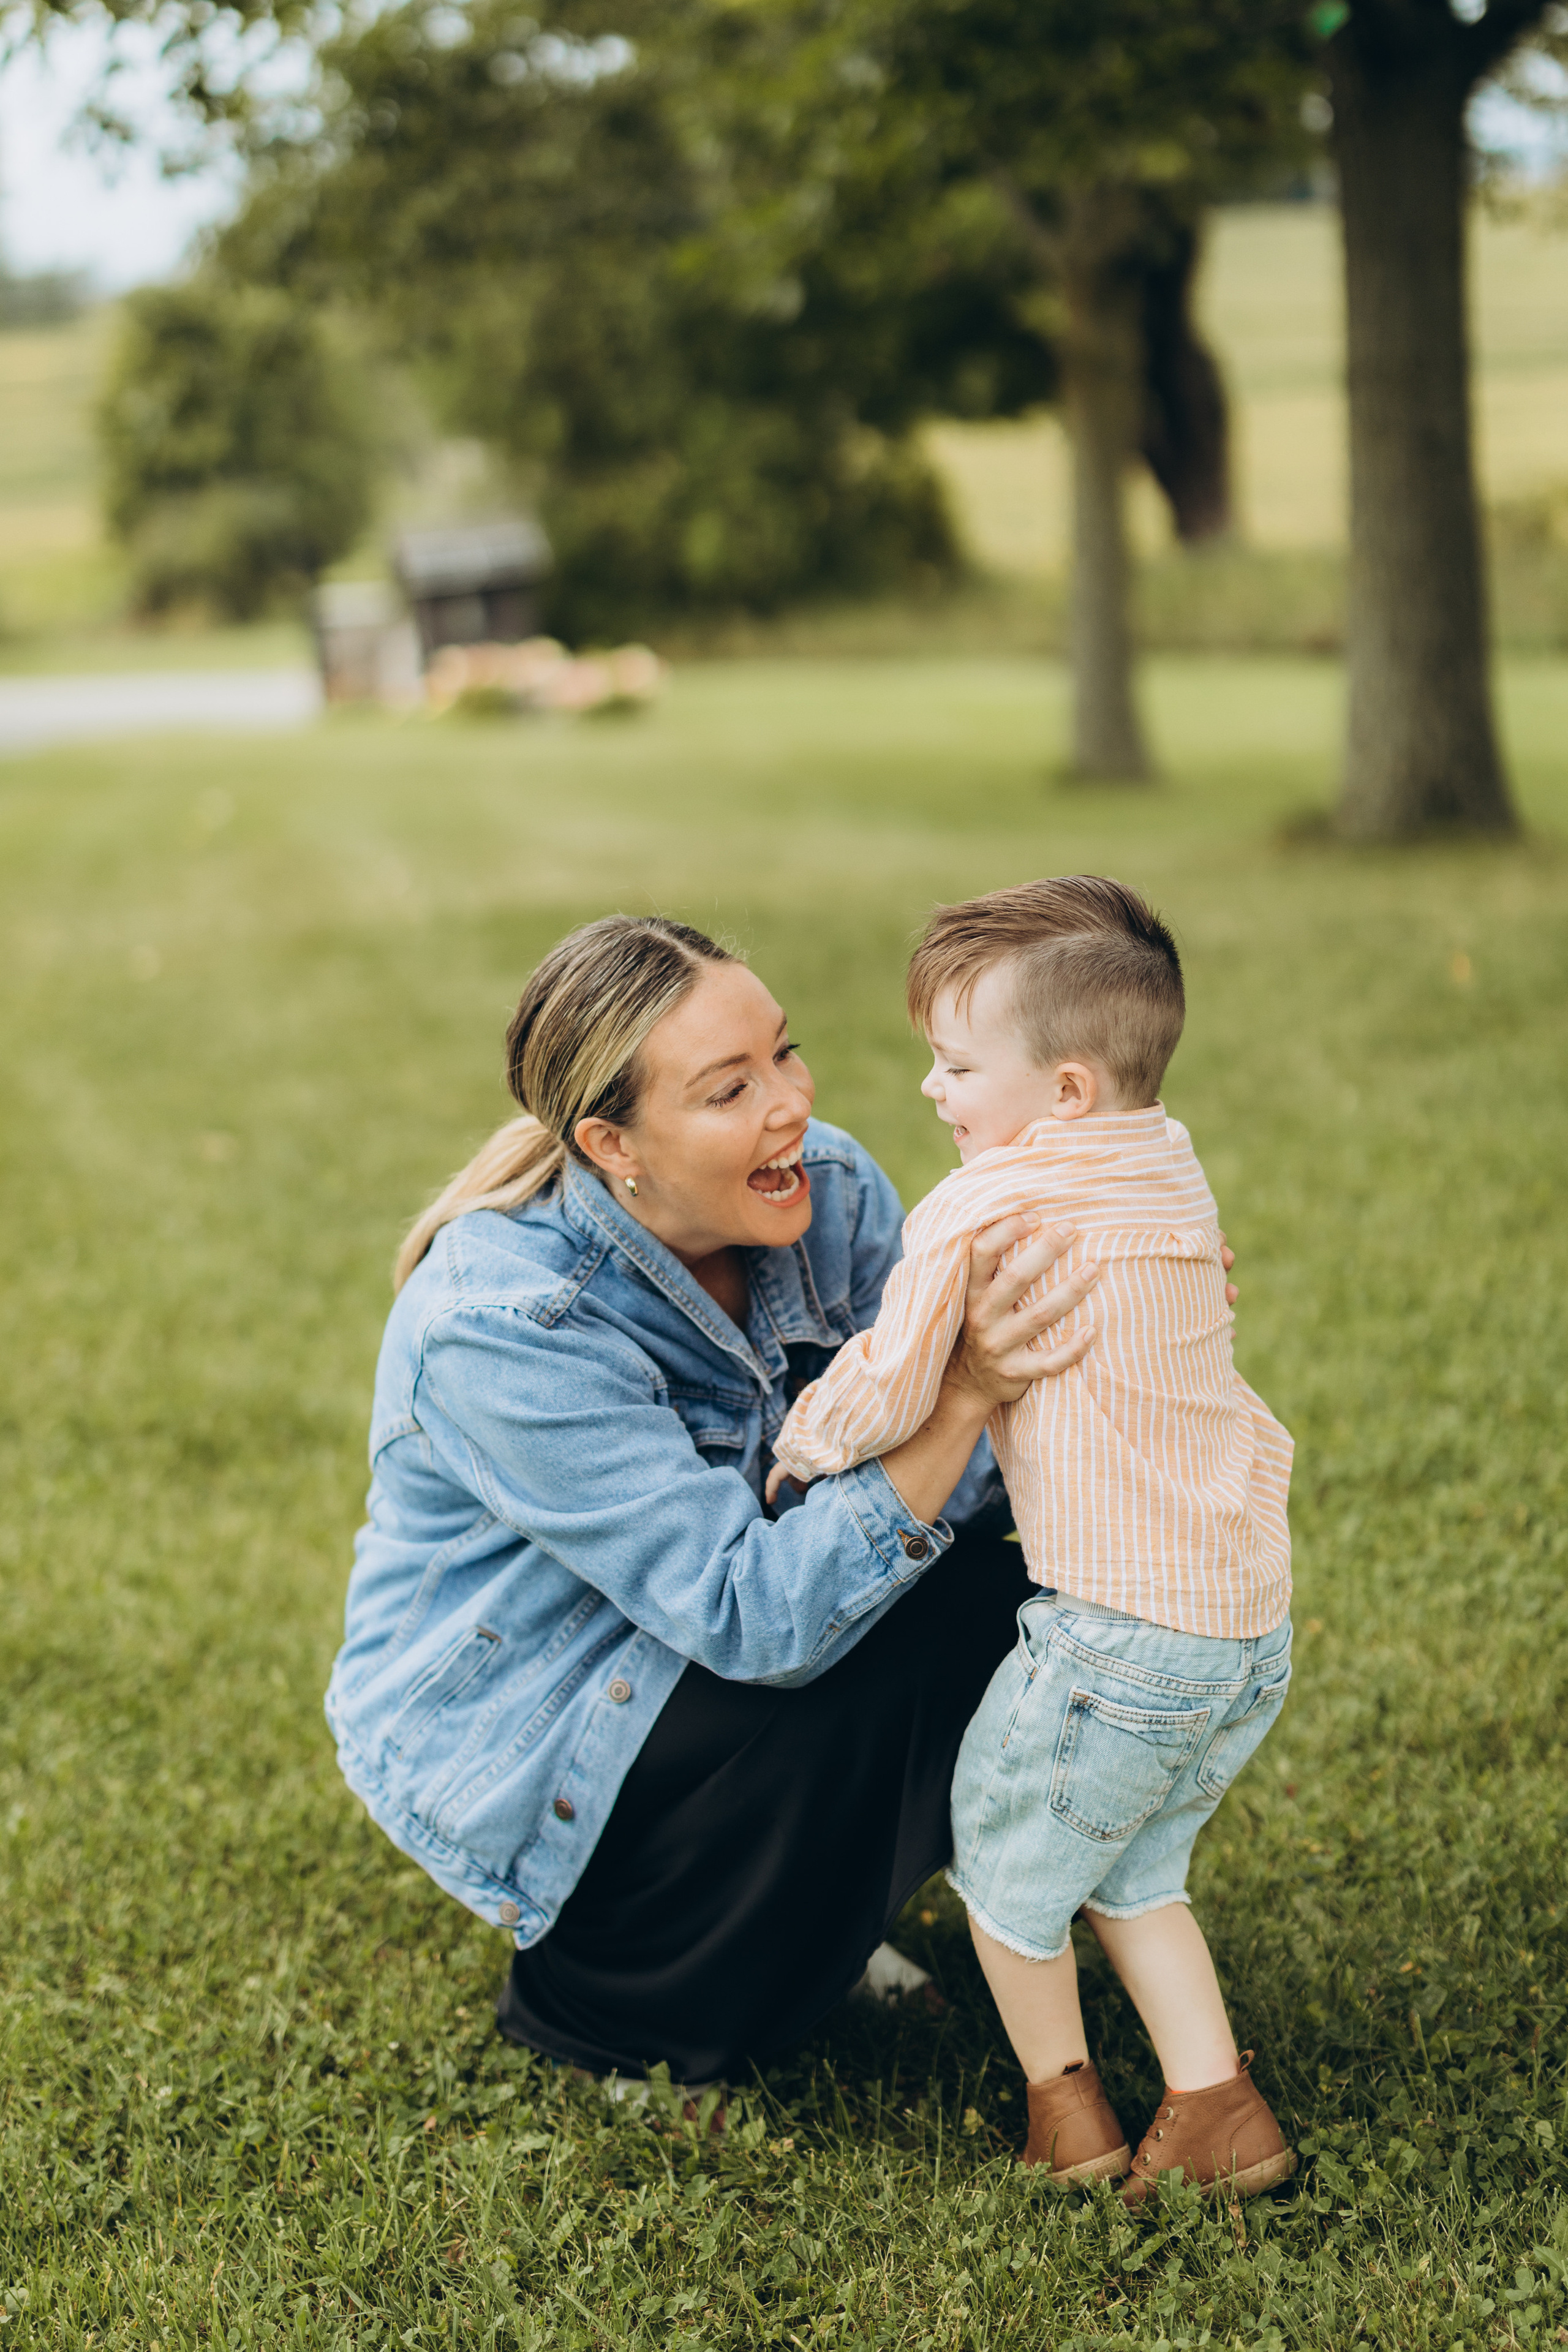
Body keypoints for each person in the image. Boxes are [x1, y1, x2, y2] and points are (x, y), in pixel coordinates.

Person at [325, 912, 1110, 2087]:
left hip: (720, 1620)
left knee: (1021, 1598)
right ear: (613, 1143)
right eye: (728, 1089)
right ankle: (610, 2005)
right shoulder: (501, 1327)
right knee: (880, 1646)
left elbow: (984, 1486)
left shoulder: (828, 1190)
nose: (790, 1104)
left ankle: (822, 1930)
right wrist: (959, 1402)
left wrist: (1106, 1316)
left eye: (784, 1055)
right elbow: (752, 1613)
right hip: (542, 1716)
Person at [769, 876, 1296, 2203]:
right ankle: (1214, 2108)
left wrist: (799, 1449)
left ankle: (1067, 2126)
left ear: (1061, 1090)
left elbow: (891, 1381)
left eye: (954, 1066)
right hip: (1237, 1622)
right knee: (1132, 1865)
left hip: (1112, 1626)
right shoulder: (1167, 1161)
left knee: (1006, 1863)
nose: (933, 1092)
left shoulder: (978, 1207)